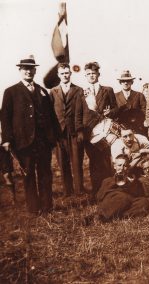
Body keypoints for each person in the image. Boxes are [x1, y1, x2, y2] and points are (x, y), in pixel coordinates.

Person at [1, 55, 60, 214]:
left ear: (35, 70)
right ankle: (33, 210)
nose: (28, 71)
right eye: (25, 68)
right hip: (24, 142)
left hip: (43, 142)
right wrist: (6, 139)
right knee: (28, 176)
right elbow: (5, 118)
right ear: (20, 71)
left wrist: (54, 137)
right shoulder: (11, 92)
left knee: (45, 174)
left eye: (31, 68)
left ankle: (47, 208)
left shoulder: (42, 91)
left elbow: (51, 116)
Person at [75, 62, 118, 200]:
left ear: (98, 74)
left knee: (106, 160)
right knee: (94, 162)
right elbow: (78, 114)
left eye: (93, 73)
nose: (91, 76)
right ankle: (96, 192)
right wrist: (80, 131)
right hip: (89, 133)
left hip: (105, 130)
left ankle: (109, 190)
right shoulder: (82, 92)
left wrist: (110, 112)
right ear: (85, 76)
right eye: (88, 74)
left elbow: (115, 109)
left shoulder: (108, 90)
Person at [49, 63, 85, 196]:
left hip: (74, 131)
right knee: (63, 163)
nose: (65, 75)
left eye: (66, 73)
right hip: (59, 133)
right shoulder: (53, 91)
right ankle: (67, 191)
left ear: (70, 74)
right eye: (62, 73)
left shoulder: (78, 90)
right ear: (58, 75)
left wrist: (80, 130)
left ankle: (79, 189)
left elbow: (81, 111)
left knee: (77, 161)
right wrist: (53, 132)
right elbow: (51, 113)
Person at [94, 154, 149, 222]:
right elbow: (99, 197)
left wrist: (132, 184)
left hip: (127, 202)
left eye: (125, 166)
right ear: (114, 166)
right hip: (113, 202)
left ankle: (118, 217)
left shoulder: (133, 180)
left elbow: (137, 196)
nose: (122, 168)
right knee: (123, 198)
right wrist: (114, 182)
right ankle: (97, 217)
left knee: (144, 202)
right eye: (119, 165)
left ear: (128, 167)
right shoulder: (108, 180)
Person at [114, 70, 147, 135]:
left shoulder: (139, 95)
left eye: (128, 81)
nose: (126, 83)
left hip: (138, 129)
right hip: (121, 130)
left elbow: (145, 111)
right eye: (123, 81)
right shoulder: (115, 96)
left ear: (132, 82)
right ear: (120, 82)